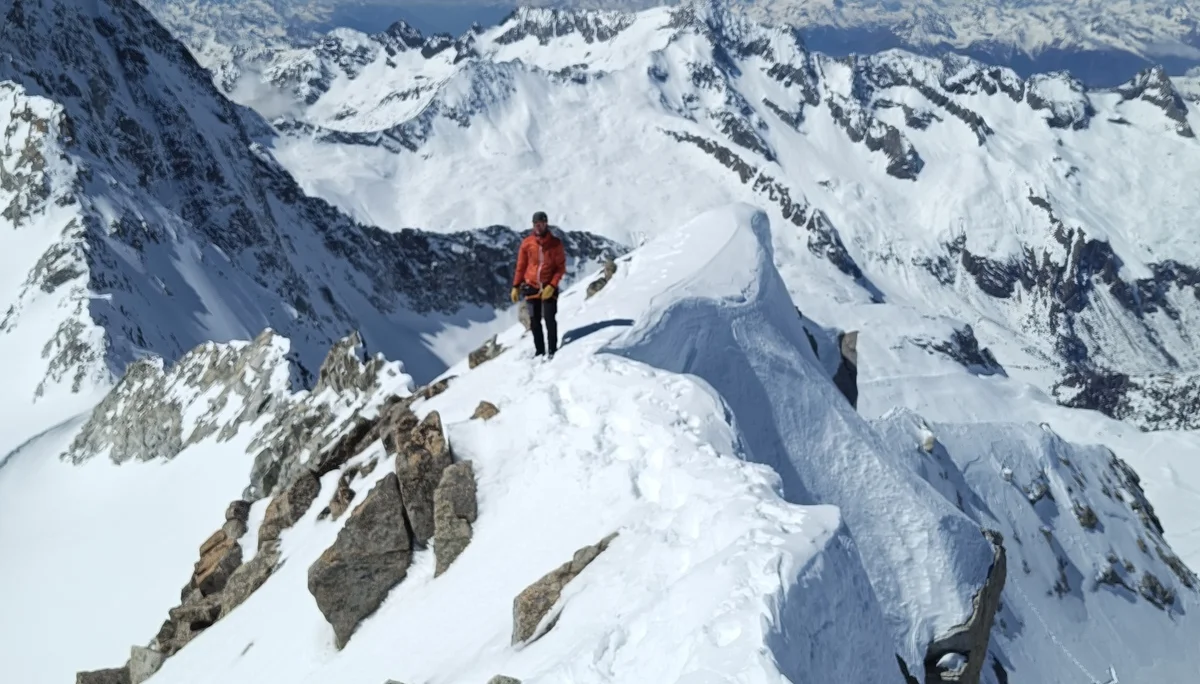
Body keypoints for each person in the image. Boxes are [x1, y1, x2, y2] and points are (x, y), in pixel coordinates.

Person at [511, 210, 566, 359]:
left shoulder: (555, 244)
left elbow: (560, 268)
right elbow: (521, 266)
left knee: (549, 318)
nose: (538, 227)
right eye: (535, 224)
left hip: (549, 286)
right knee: (534, 321)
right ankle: (540, 350)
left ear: (546, 224)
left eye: (540, 224)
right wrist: (516, 285)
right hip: (531, 285)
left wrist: (552, 285)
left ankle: (552, 350)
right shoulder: (527, 243)